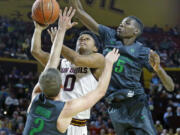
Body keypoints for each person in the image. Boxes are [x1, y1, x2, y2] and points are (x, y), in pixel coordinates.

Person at [70, 0, 175, 134]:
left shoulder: (143, 51)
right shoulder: (109, 35)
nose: (121, 24)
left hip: (135, 104)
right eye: (121, 22)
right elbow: (79, 12)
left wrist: (159, 70)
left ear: (136, 31)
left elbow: (170, 87)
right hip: (115, 105)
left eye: (127, 23)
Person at [23, 7, 119, 135]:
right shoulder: (62, 62)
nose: (82, 40)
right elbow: (36, 52)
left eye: (87, 39)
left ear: (96, 48)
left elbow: (76, 59)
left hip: (76, 124)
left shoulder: (99, 59)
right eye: (80, 39)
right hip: (58, 114)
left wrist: (58, 40)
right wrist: (39, 30)